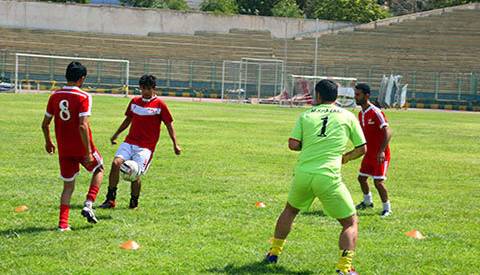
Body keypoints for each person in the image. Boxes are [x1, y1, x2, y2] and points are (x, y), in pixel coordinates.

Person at [264, 79, 366, 275]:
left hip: (303, 175)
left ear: (318, 96)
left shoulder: (306, 115)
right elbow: (362, 148)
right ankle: (344, 268)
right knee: (350, 222)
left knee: (290, 211)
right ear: (336, 96)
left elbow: (293, 144)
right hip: (328, 177)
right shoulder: (347, 116)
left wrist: (309, 146)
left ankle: (273, 253)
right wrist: (345, 157)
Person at [99, 74, 181, 209]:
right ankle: (110, 199)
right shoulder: (135, 101)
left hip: (146, 147)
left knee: (135, 172)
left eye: (148, 89)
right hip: (129, 142)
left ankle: (133, 202)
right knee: (116, 164)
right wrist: (116, 134)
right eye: (143, 88)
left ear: (154, 89)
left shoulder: (160, 105)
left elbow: (169, 124)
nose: (145, 92)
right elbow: (127, 120)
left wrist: (175, 144)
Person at [41, 61, 104, 231]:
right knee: (99, 168)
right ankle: (89, 203)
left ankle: (63, 224)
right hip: (82, 147)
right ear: (82, 78)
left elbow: (45, 124)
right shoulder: (84, 96)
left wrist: (48, 141)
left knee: (68, 186)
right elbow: (83, 125)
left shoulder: (55, 96)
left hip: (64, 148)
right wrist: (88, 151)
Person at [354, 83, 393, 217]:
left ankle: (387, 208)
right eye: (355, 94)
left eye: (358, 95)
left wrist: (382, 151)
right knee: (362, 178)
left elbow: (388, 131)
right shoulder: (361, 114)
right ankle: (367, 202)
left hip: (379, 155)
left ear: (367, 95)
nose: (355, 97)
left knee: (378, 182)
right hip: (369, 154)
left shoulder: (376, 112)